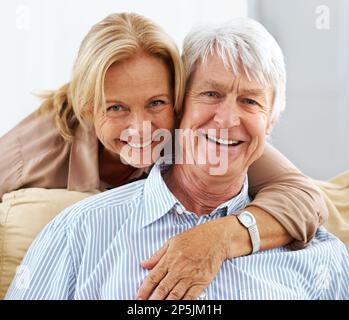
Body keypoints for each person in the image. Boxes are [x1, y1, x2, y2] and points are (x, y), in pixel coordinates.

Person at [6, 17, 347, 300]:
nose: (142, 129)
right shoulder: (62, 209)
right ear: (89, 111)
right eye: (116, 108)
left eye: (156, 103)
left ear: (176, 102)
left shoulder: (228, 141)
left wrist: (220, 237)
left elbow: (304, 197)